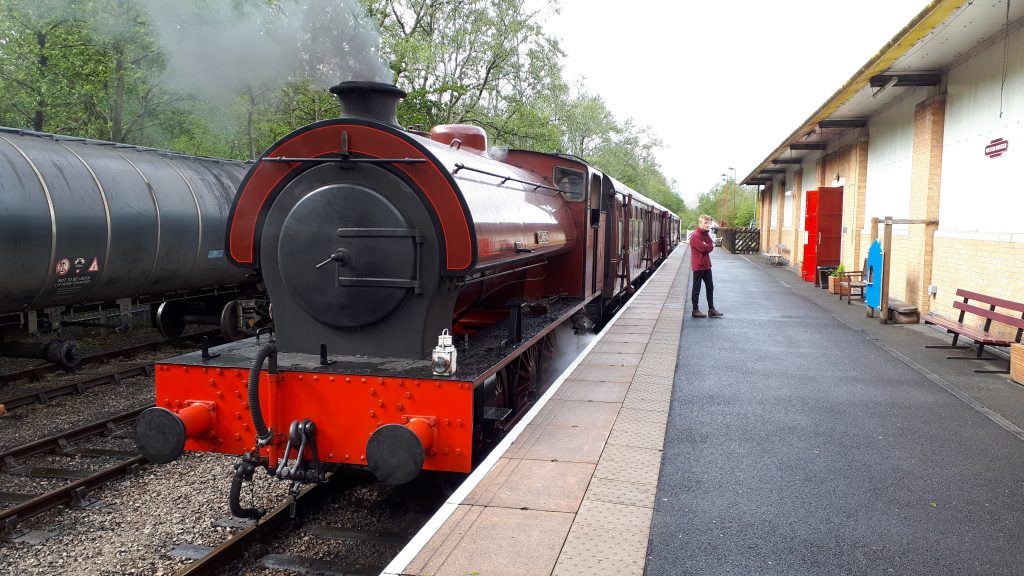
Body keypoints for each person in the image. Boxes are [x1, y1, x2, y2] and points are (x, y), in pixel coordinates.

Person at [689, 214, 723, 318]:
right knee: (696, 288)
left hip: (706, 265)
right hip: (698, 265)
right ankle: (695, 310)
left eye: (708, 223)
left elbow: (711, 245)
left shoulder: (706, 234)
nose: (707, 225)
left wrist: (707, 245)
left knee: (710, 287)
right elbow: (704, 249)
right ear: (700, 223)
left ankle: (711, 309)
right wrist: (707, 245)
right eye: (705, 223)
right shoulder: (695, 236)